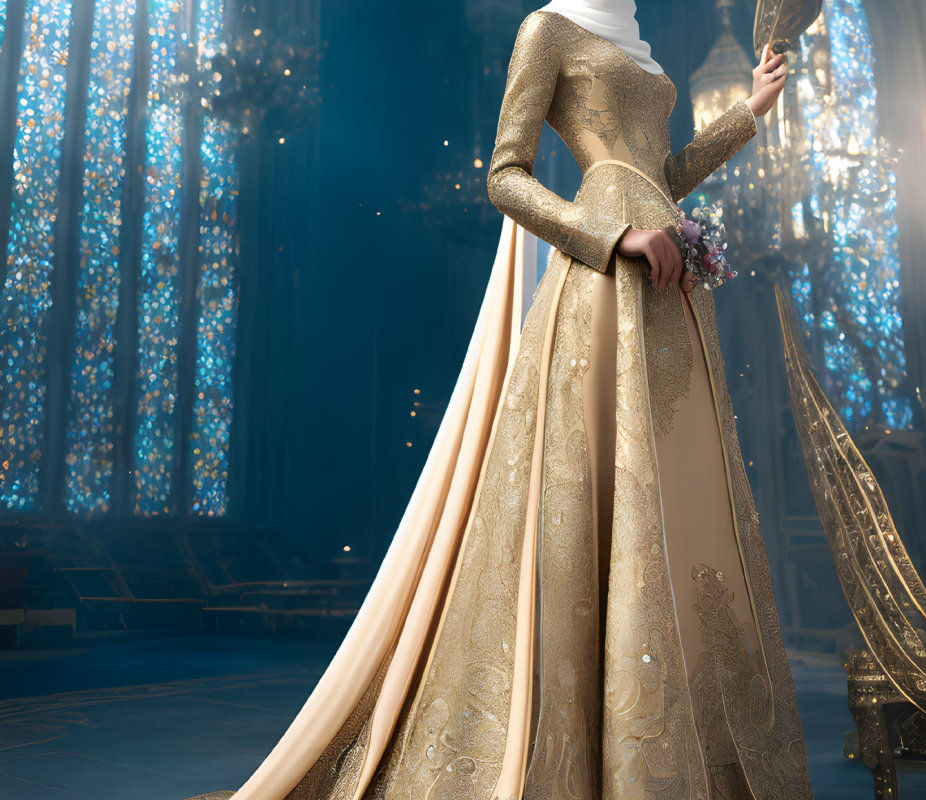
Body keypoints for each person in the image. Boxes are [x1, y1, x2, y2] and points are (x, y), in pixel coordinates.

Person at [190, 1, 811, 798]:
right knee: (605, 497)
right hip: (603, 288)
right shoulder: (547, 27)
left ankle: (662, 749)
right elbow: (503, 176)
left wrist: (749, 114)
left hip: (670, 296)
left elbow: (664, 176)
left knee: (677, 507)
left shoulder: (642, 44)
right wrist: (611, 238)